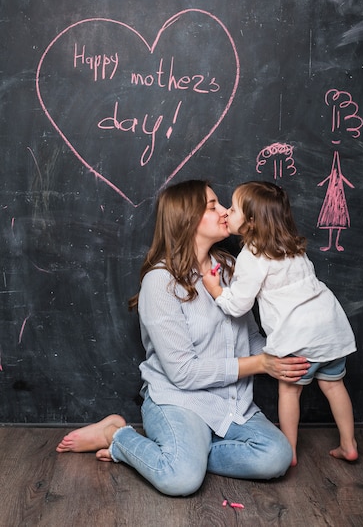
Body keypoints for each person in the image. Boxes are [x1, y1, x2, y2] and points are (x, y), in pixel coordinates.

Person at [56, 179, 310, 496]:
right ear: (186, 220)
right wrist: (261, 364)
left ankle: (185, 456)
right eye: (212, 206)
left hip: (229, 403)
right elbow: (183, 373)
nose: (225, 212)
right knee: (181, 480)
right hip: (180, 401)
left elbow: (252, 336)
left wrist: (287, 358)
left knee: (277, 457)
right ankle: (117, 435)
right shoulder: (160, 282)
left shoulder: (230, 268)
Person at [203, 180, 358, 467]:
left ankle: (289, 452)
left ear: (250, 221)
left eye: (234, 209)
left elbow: (238, 306)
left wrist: (215, 290)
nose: (228, 213)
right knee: (335, 386)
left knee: (289, 391)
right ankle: (349, 444)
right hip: (332, 329)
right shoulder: (292, 246)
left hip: (299, 336)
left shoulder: (251, 255)